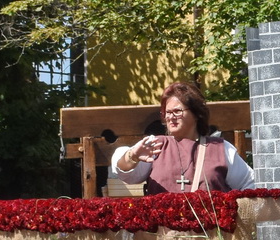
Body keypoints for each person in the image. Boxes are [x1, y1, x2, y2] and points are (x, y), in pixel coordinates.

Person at [110, 81, 256, 193]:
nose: (170, 117)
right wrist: (132, 156)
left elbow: (250, 183)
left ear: (196, 113)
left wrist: (232, 214)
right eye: (167, 112)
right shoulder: (156, 145)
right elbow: (126, 174)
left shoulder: (220, 149)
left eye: (177, 111)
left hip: (210, 232)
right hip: (162, 232)